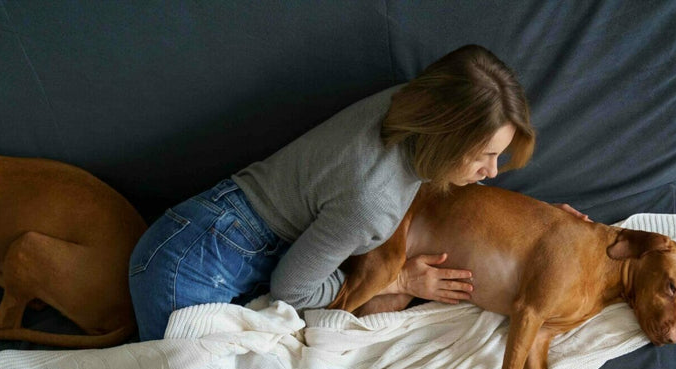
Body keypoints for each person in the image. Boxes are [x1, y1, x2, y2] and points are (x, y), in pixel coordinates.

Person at [128, 44, 583, 341]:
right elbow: (292, 292)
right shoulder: (374, 201)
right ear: (445, 136)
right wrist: (400, 279)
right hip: (191, 263)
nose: (492, 172)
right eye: (484, 156)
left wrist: (545, 225)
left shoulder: (413, 101)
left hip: (212, 229)